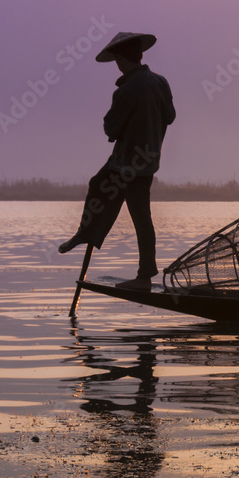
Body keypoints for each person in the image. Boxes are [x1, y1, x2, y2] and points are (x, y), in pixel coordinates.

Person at [59, 31, 176, 291]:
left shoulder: (128, 89)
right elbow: (170, 116)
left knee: (110, 195)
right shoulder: (160, 82)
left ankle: (143, 276)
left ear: (122, 59)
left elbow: (111, 129)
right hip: (147, 163)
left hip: (126, 164)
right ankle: (87, 233)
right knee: (125, 205)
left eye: (117, 59)